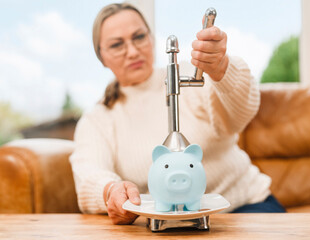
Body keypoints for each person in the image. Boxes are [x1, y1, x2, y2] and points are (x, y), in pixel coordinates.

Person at [70, 3, 286, 225]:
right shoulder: (98, 120)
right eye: (117, 45)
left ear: (151, 38)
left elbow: (240, 114)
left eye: (139, 37)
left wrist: (222, 70)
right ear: (101, 57)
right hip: (167, 223)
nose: (133, 51)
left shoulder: (190, 73)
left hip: (246, 209)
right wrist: (111, 192)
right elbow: (90, 175)